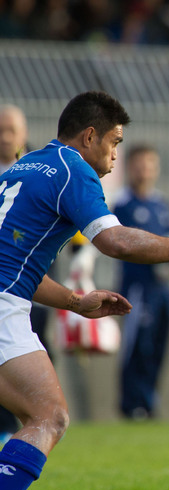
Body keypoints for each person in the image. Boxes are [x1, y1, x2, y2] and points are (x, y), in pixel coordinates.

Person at [0, 90, 169, 490]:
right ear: (90, 136)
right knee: (48, 415)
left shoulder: (27, 165)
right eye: (114, 142)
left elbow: (19, 266)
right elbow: (117, 243)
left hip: (8, 298)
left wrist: (75, 302)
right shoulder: (73, 168)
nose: (116, 154)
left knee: (37, 414)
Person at [113, 144, 169, 419]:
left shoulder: (161, 204)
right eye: (139, 164)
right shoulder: (123, 204)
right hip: (138, 288)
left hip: (163, 288)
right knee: (138, 345)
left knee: (159, 346)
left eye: (150, 163)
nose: (145, 169)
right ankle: (132, 405)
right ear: (129, 167)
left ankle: (148, 403)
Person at [0, 105, 30, 445]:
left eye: (12, 130)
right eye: (1, 130)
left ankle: (20, 430)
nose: (6, 137)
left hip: (32, 286)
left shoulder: (37, 174)